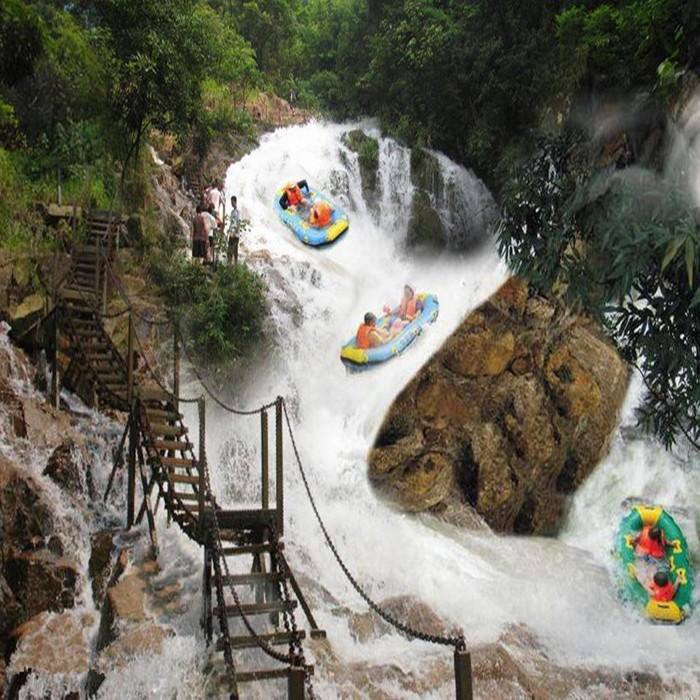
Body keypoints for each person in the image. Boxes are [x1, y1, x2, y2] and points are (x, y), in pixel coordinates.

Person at [227, 195, 241, 265]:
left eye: (232, 202)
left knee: (235, 250)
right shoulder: (232, 212)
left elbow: (239, 222)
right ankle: (229, 264)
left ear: (235, 202)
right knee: (229, 249)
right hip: (231, 233)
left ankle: (235, 264)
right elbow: (231, 223)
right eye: (231, 202)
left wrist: (236, 232)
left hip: (235, 234)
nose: (231, 203)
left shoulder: (238, 212)